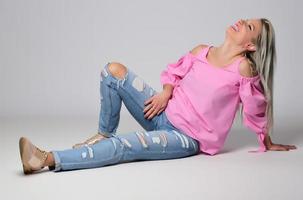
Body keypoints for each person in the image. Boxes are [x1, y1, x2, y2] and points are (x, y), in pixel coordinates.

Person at [19, 18, 297, 175]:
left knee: (125, 146)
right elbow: (173, 74)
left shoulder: (243, 68)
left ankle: (46, 159)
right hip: (161, 112)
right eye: (246, 19)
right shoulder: (201, 50)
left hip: (185, 137)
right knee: (113, 71)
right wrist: (165, 93)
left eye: (249, 27)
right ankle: (104, 133)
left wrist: (266, 139)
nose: (242, 21)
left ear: (250, 45)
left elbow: (256, 107)